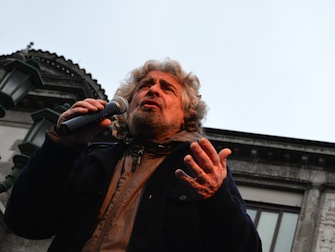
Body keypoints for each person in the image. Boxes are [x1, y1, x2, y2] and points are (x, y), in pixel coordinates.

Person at [4, 59, 262, 252]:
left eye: (167, 88)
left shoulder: (200, 170)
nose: (153, 90)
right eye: (145, 85)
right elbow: (26, 223)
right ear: (128, 104)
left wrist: (216, 200)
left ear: (186, 115)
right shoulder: (94, 160)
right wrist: (58, 149)